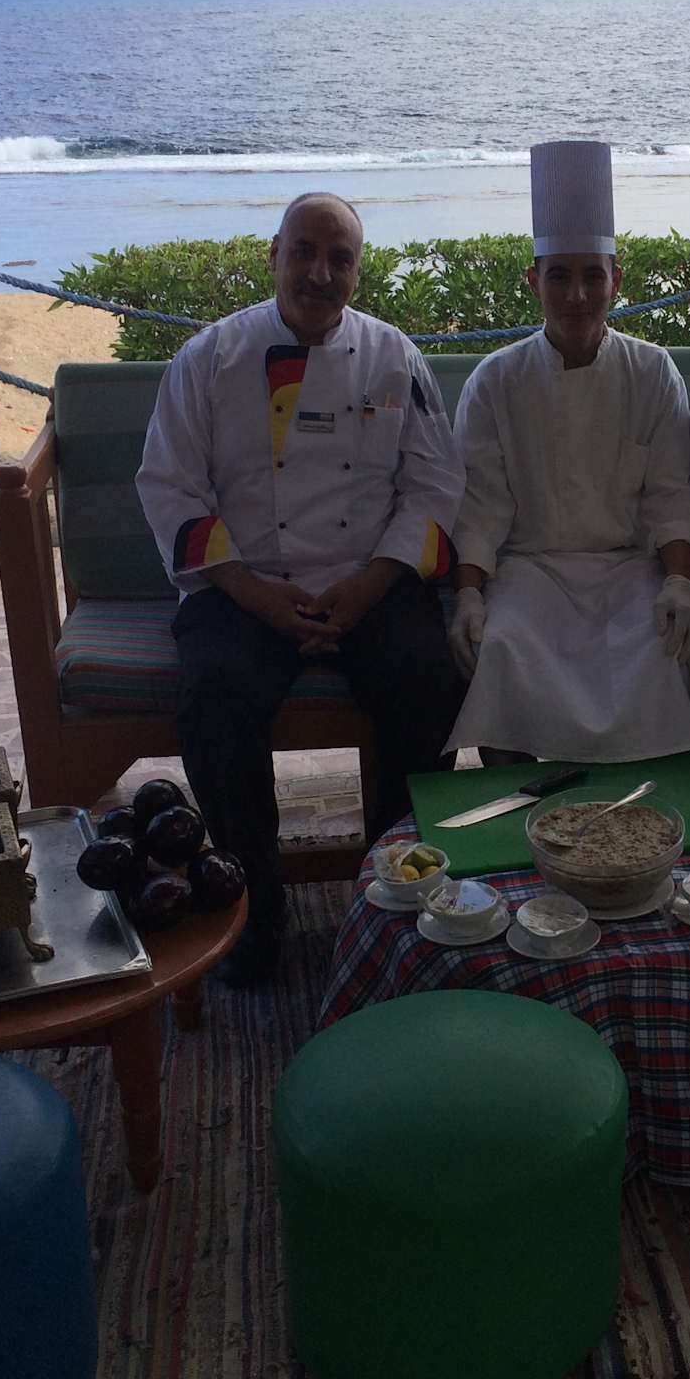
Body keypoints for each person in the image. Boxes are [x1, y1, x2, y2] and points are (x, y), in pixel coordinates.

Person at [137, 191, 467, 984]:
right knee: (215, 697)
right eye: (305, 253)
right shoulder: (209, 358)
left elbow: (433, 485)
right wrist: (254, 594)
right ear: (274, 256)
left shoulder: (395, 358)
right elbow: (171, 486)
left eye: (339, 259)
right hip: (244, 583)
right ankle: (253, 910)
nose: (320, 273)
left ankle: (394, 896)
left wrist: (371, 584)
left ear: (358, 271)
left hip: (369, 578)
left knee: (429, 680)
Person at [445, 140, 690, 761]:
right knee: (501, 648)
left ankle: (646, 810)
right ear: (533, 281)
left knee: (662, 651)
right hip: (528, 572)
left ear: (616, 280)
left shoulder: (653, 372)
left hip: (629, 572)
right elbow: (480, 508)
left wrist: (679, 583)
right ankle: (519, 808)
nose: (577, 295)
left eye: (593, 275)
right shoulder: (496, 380)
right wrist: (469, 594)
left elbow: (670, 495)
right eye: (559, 276)